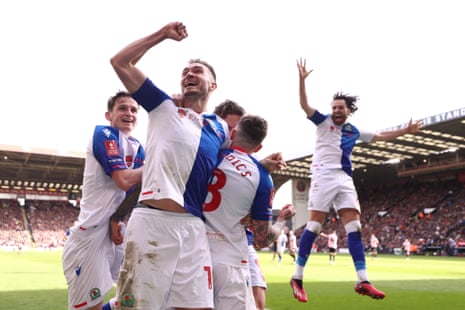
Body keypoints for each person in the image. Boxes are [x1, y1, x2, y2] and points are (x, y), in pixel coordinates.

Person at [110, 22, 285, 310]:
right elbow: (120, 62)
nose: (189, 74)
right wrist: (162, 35)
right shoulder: (163, 106)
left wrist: (262, 165)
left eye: (197, 71)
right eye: (185, 72)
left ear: (212, 85)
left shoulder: (218, 129)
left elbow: (227, 164)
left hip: (193, 229)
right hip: (153, 222)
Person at [289, 57, 423, 303]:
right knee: (314, 226)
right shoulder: (323, 122)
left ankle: (363, 280)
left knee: (355, 227)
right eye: (335, 107)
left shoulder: (354, 131)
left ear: (349, 111)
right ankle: (297, 277)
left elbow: (381, 135)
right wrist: (301, 80)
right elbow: (304, 105)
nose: (337, 110)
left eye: (341, 107)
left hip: (344, 179)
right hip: (322, 176)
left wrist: (406, 130)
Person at [62, 91, 145, 310]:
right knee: (90, 306)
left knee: (139, 290)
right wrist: (156, 163)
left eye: (134, 109)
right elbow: (123, 181)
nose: (129, 113)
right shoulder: (104, 134)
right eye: (122, 108)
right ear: (109, 115)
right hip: (91, 235)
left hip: (117, 230)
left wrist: (117, 218)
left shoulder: (138, 148)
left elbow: (135, 190)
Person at [204, 113, 296, 309]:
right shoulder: (261, 177)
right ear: (259, 147)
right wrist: (281, 220)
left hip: (195, 252)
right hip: (230, 259)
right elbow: (261, 240)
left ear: (234, 132)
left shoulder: (208, 154)